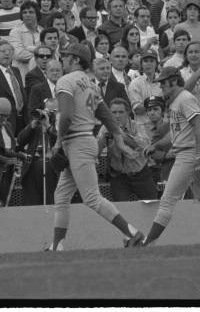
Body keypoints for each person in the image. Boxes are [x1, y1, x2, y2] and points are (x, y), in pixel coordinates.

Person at [46, 43, 144, 251]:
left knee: (92, 197)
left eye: (66, 56)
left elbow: (67, 115)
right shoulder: (90, 83)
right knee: (62, 196)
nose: (63, 59)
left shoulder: (66, 80)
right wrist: (117, 136)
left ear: (74, 60)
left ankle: (132, 233)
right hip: (83, 141)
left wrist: (57, 141)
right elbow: (105, 113)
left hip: (77, 141)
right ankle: (57, 245)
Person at [141, 66, 200, 246]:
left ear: (174, 81)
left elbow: (199, 126)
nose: (161, 86)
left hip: (188, 155)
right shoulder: (178, 100)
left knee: (167, 201)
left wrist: (199, 154)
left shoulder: (184, 98)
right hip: (186, 152)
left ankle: (146, 244)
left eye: (163, 82)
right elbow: (176, 132)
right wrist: (157, 145)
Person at [97, 97, 159, 201]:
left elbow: (143, 147)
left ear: (128, 113)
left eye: (121, 112)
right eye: (114, 112)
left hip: (140, 174)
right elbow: (96, 151)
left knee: (152, 205)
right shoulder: (105, 128)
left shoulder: (138, 126)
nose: (117, 116)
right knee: (122, 208)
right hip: (119, 176)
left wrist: (121, 134)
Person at [7, 0, 41, 80]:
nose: (27, 15)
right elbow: (19, 54)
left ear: (37, 14)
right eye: (24, 12)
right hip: (21, 77)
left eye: (31, 12)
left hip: (40, 78)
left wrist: (33, 51)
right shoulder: (15, 32)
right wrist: (41, 54)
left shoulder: (42, 32)